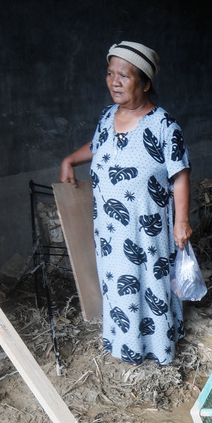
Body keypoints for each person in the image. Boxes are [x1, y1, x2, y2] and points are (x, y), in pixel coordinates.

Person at [60, 40, 191, 365]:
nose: (114, 82)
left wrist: (182, 221)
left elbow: (180, 175)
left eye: (124, 76)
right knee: (118, 284)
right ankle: (125, 345)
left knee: (150, 282)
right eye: (110, 74)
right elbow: (100, 144)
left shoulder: (164, 125)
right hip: (110, 230)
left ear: (145, 83)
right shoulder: (107, 116)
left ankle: (158, 349)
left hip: (148, 230)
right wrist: (70, 160)